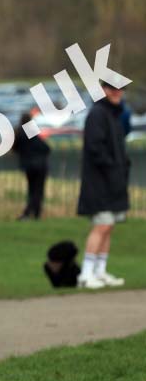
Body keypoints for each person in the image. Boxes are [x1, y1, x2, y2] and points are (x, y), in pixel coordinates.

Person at [76, 80, 131, 289]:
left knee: (109, 226)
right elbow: (95, 147)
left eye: (121, 89)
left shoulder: (114, 114)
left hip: (113, 181)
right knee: (102, 225)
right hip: (99, 182)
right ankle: (86, 273)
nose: (118, 93)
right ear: (103, 91)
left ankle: (100, 270)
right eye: (113, 89)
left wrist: (121, 167)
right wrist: (111, 167)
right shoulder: (98, 113)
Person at [12, 110, 51, 220]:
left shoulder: (18, 133)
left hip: (27, 166)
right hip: (40, 165)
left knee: (31, 189)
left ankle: (33, 213)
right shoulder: (31, 132)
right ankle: (31, 213)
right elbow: (45, 148)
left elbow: (15, 148)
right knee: (38, 190)